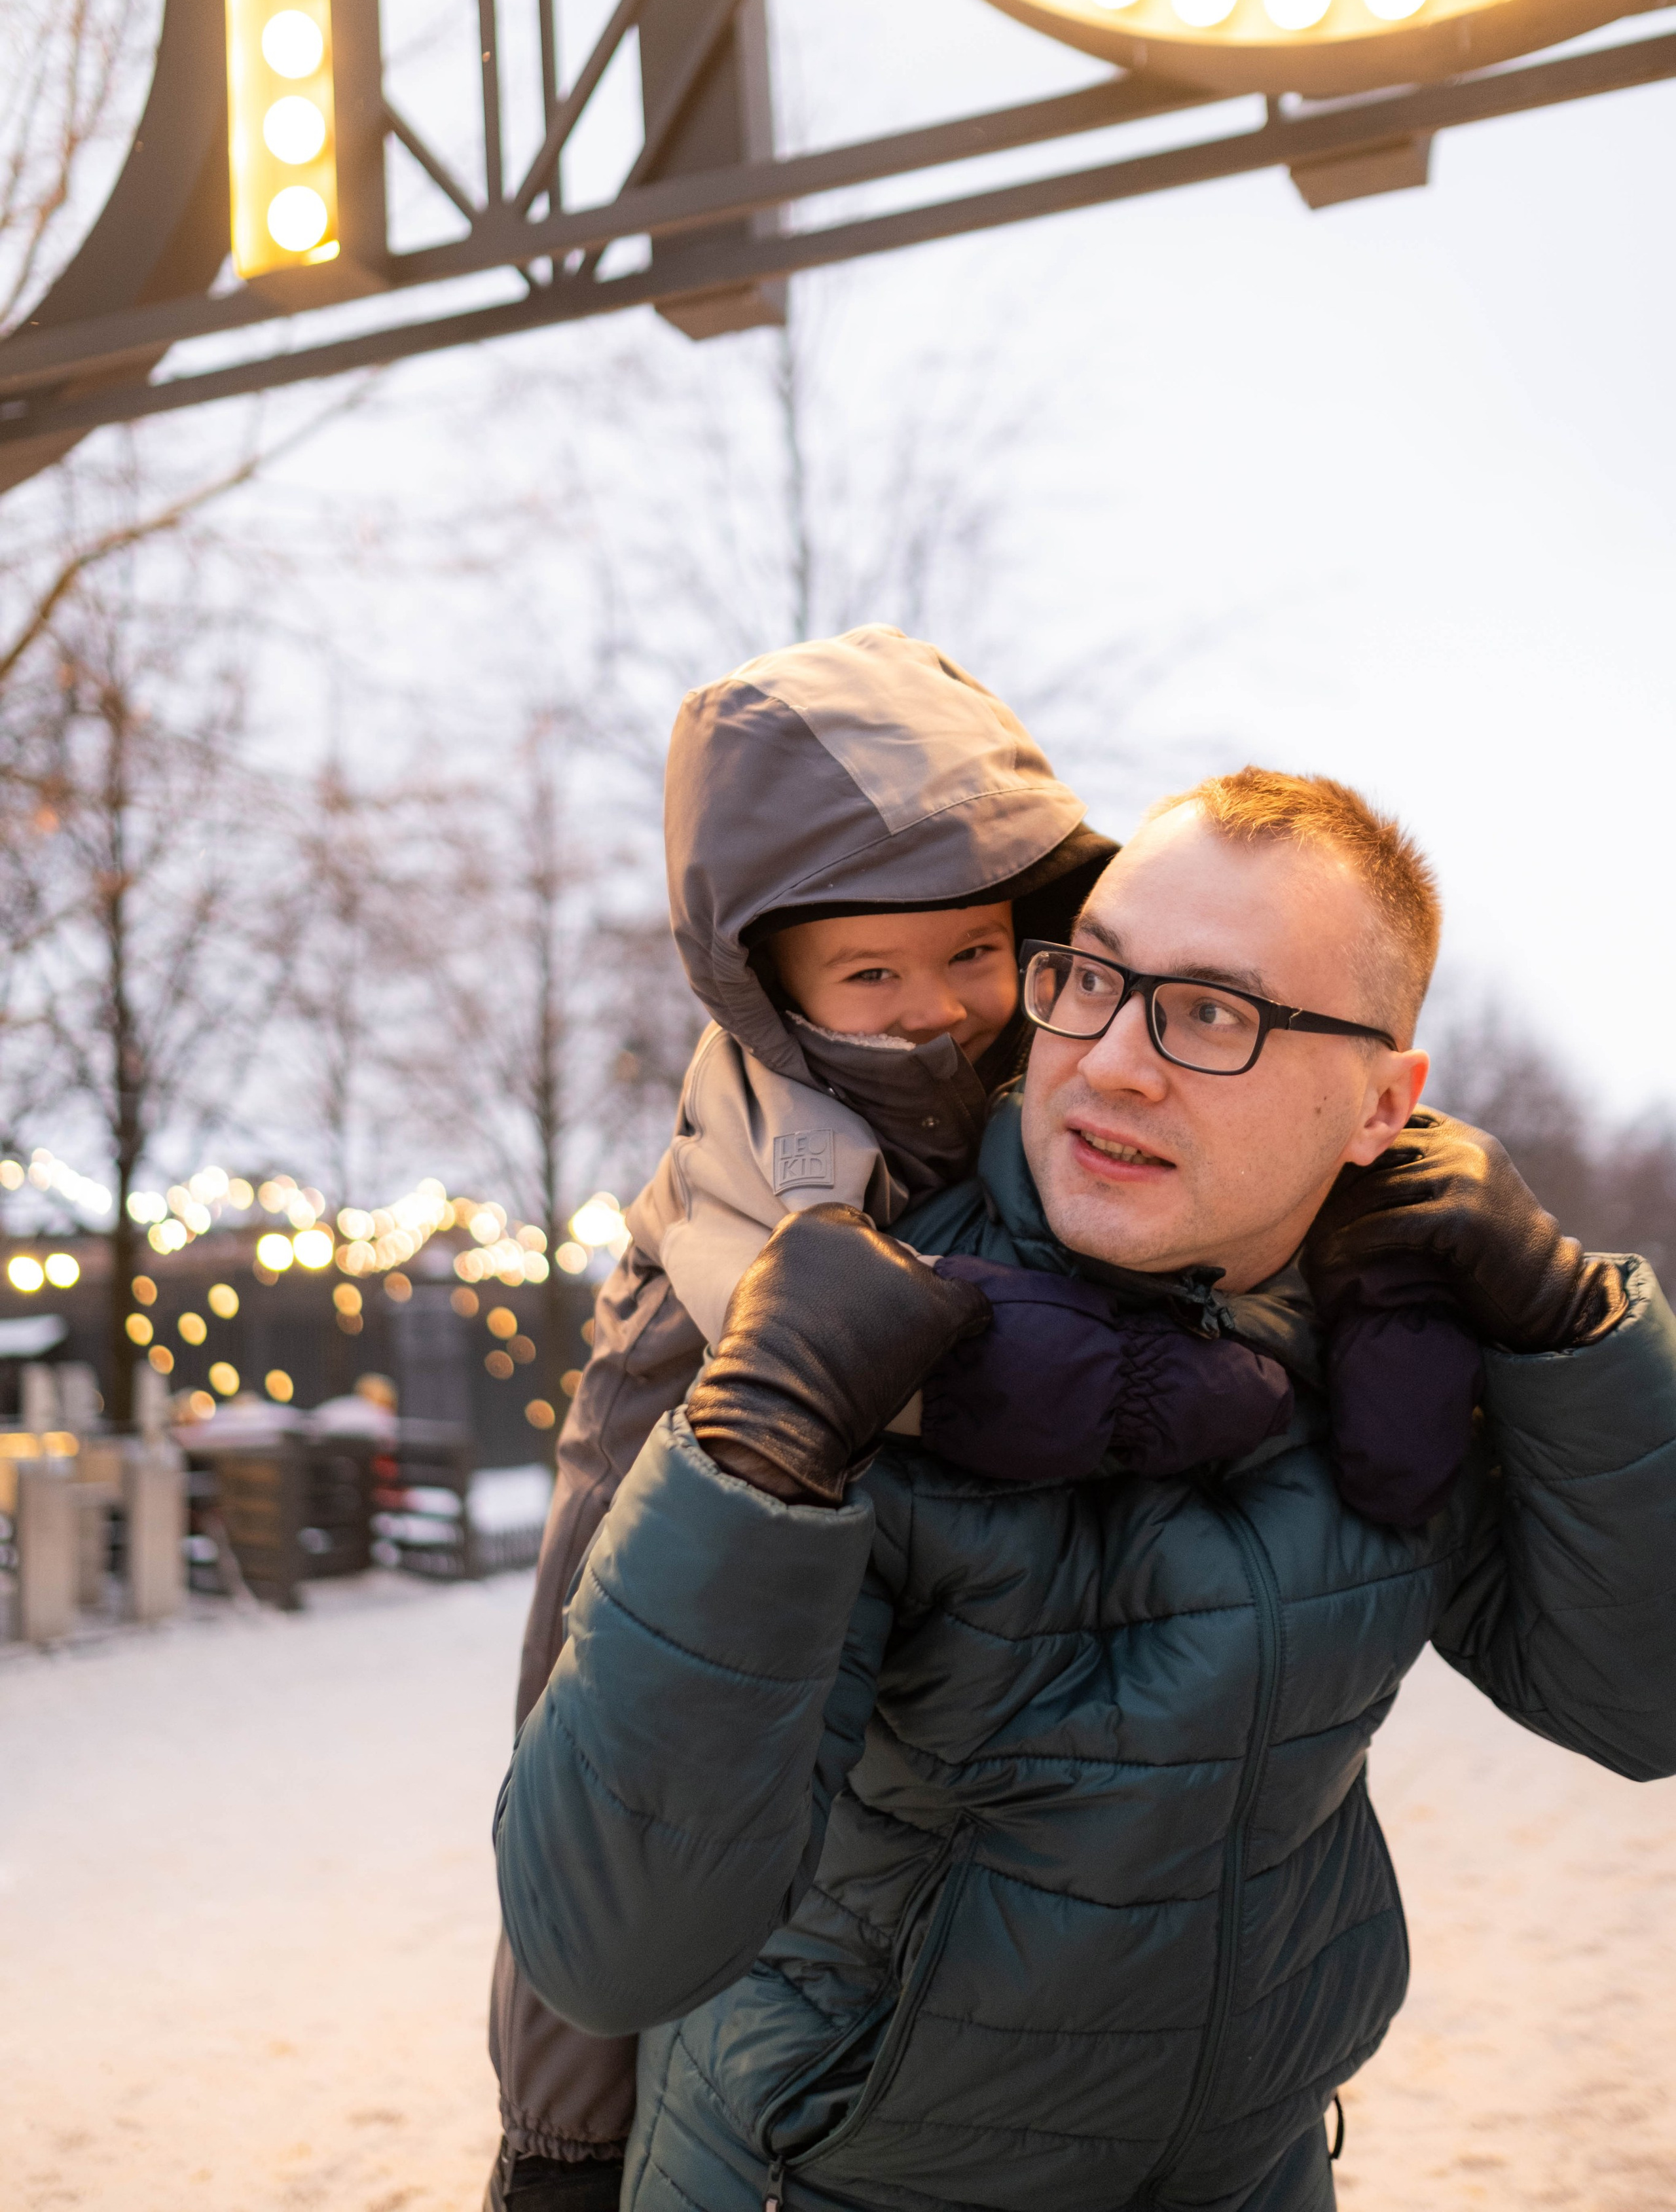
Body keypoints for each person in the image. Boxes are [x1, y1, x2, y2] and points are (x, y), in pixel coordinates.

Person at [495, 767, 1676, 2212]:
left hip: (1249, 2172)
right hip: (829, 2183)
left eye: (1210, 1014)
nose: (1109, 1062)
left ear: (1381, 1103)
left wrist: (1572, 1331)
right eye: (1086, 981)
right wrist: (755, 1458)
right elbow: (611, 1947)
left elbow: (1641, 1701)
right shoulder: (867, 1337)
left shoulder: (1395, 1352)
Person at [486, 635, 1296, 2209]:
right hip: (831, 2033)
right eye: (869, 973)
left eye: (973, 951)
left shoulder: (1094, 1092)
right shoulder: (729, 1244)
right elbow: (582, 1698)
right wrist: (561, 2127)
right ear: (768, 986)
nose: (937, 1014)